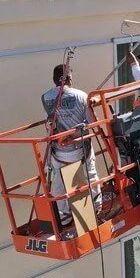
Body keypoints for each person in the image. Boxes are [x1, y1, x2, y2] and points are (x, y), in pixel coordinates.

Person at [41, 64, 102, 230]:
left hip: (58, 152)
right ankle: (96, 208)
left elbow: (48, 123)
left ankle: (65, 216)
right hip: (79, 151)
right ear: (68, 78)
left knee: (59, 182)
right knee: (91, 173)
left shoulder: (45, 98)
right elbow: (92, 123)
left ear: (55, 80)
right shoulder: (81, 96)